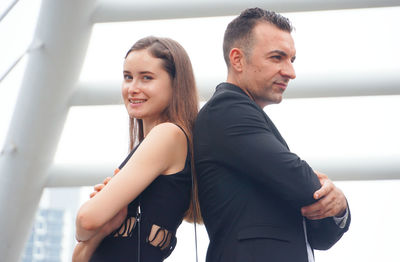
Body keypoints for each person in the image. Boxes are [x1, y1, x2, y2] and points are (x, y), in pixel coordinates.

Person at [193, 7, 350, 262]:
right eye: (277, 58)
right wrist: (326, 193)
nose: (290, 72)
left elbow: (321, 236)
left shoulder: (245, 116)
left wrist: (339, 205)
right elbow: (305, 186)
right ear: (238, 60)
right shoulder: (227, 111)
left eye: (292, 60)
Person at [73, 36, 201, 262]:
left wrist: (93, 220)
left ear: (175, 83)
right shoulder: (153, 142)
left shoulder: (168, 135)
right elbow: (80, 256)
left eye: (146, 78)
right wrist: (103, 228)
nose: (133, 88)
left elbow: (86, 221)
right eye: (128, 77)